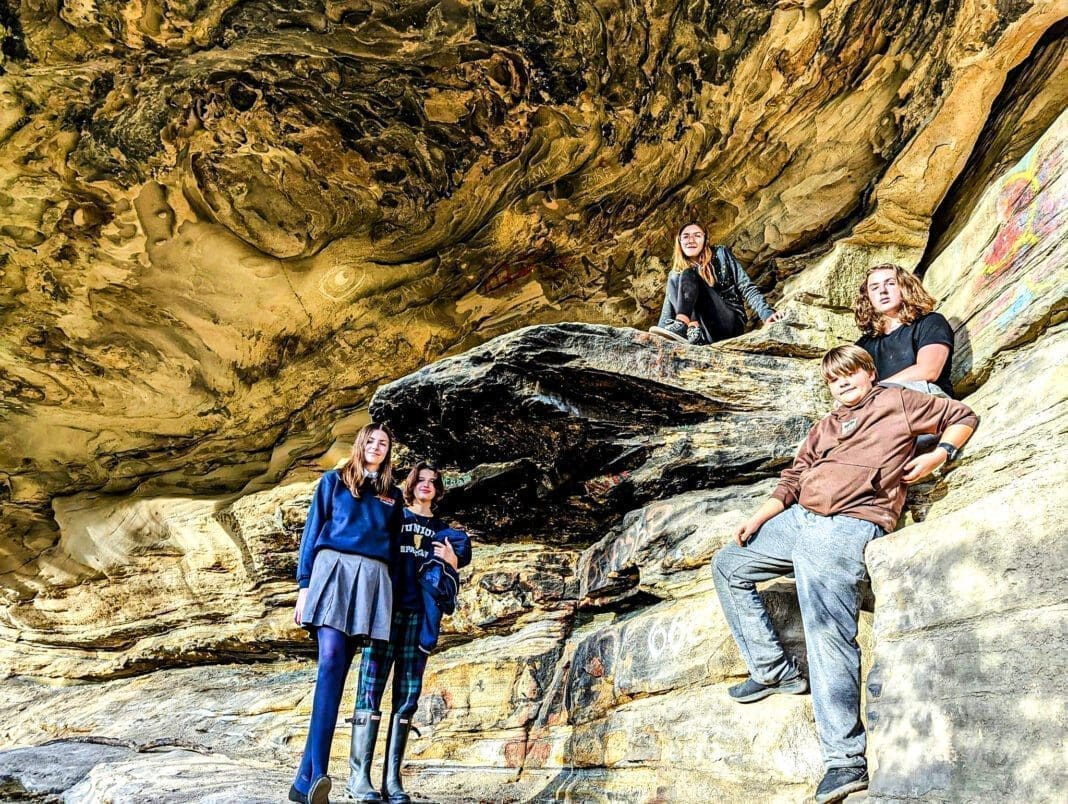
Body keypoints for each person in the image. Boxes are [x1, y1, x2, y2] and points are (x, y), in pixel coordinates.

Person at [711, 345, 978, 804]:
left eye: (851, 374)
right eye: (835, 379)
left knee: (825, 629)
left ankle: (844, 761)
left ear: (869, 373)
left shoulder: (897, 401)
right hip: (799, 519)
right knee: (728, 564)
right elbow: (794, 477)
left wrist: (941, 454)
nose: (844, 383)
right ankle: (774, 670)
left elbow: (964, 414)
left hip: (850, 521)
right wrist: (761, 516)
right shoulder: (826, 426)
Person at [289, 423, 404, 804]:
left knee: (337, 677)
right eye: (370, 440)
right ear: (360, 445)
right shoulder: (334, 481)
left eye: (383, 443)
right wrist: (304, 587)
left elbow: (397, 546)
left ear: (389, 451)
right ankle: (320, 772)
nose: (376, 446)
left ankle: (304, 782)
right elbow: (312, 532)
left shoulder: (393, 495)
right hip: (333, 572)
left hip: (373, 581)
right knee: (331, 662)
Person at [347, 462, 472, 804]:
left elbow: (462, 554)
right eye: (421, 480)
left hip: (419, 618)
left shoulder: (445, 532)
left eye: (433, 482)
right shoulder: (396, 517)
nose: (427, 485)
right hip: (384, 615)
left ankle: (392, 782)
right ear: (411, 485)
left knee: (407, 698)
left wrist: (453, 561)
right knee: (370, 690)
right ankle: (358, 777)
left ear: (439, 490)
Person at [650, 222, 784, 345]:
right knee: (675, 276)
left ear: (705, 240)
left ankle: (683, 325)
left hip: (728, 324)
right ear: (679, 242)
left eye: (697, 236)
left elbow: (746, 286)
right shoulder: (676, 274)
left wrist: (766, 314)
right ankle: (688, 329)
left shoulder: (720, 253)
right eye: (685, 236)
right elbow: (668, 311)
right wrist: (657, 338)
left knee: (688, 274)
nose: (691, 240)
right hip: (701, 333)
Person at [854, 264, 955, 397]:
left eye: (890, 283)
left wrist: (877, 389)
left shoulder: (930, 322)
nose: (882, 291)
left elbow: (929, 371)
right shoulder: (863, 346)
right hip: (882, 405)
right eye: (874, 287)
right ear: (867, 296)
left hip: (926, 400)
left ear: (905, 287)